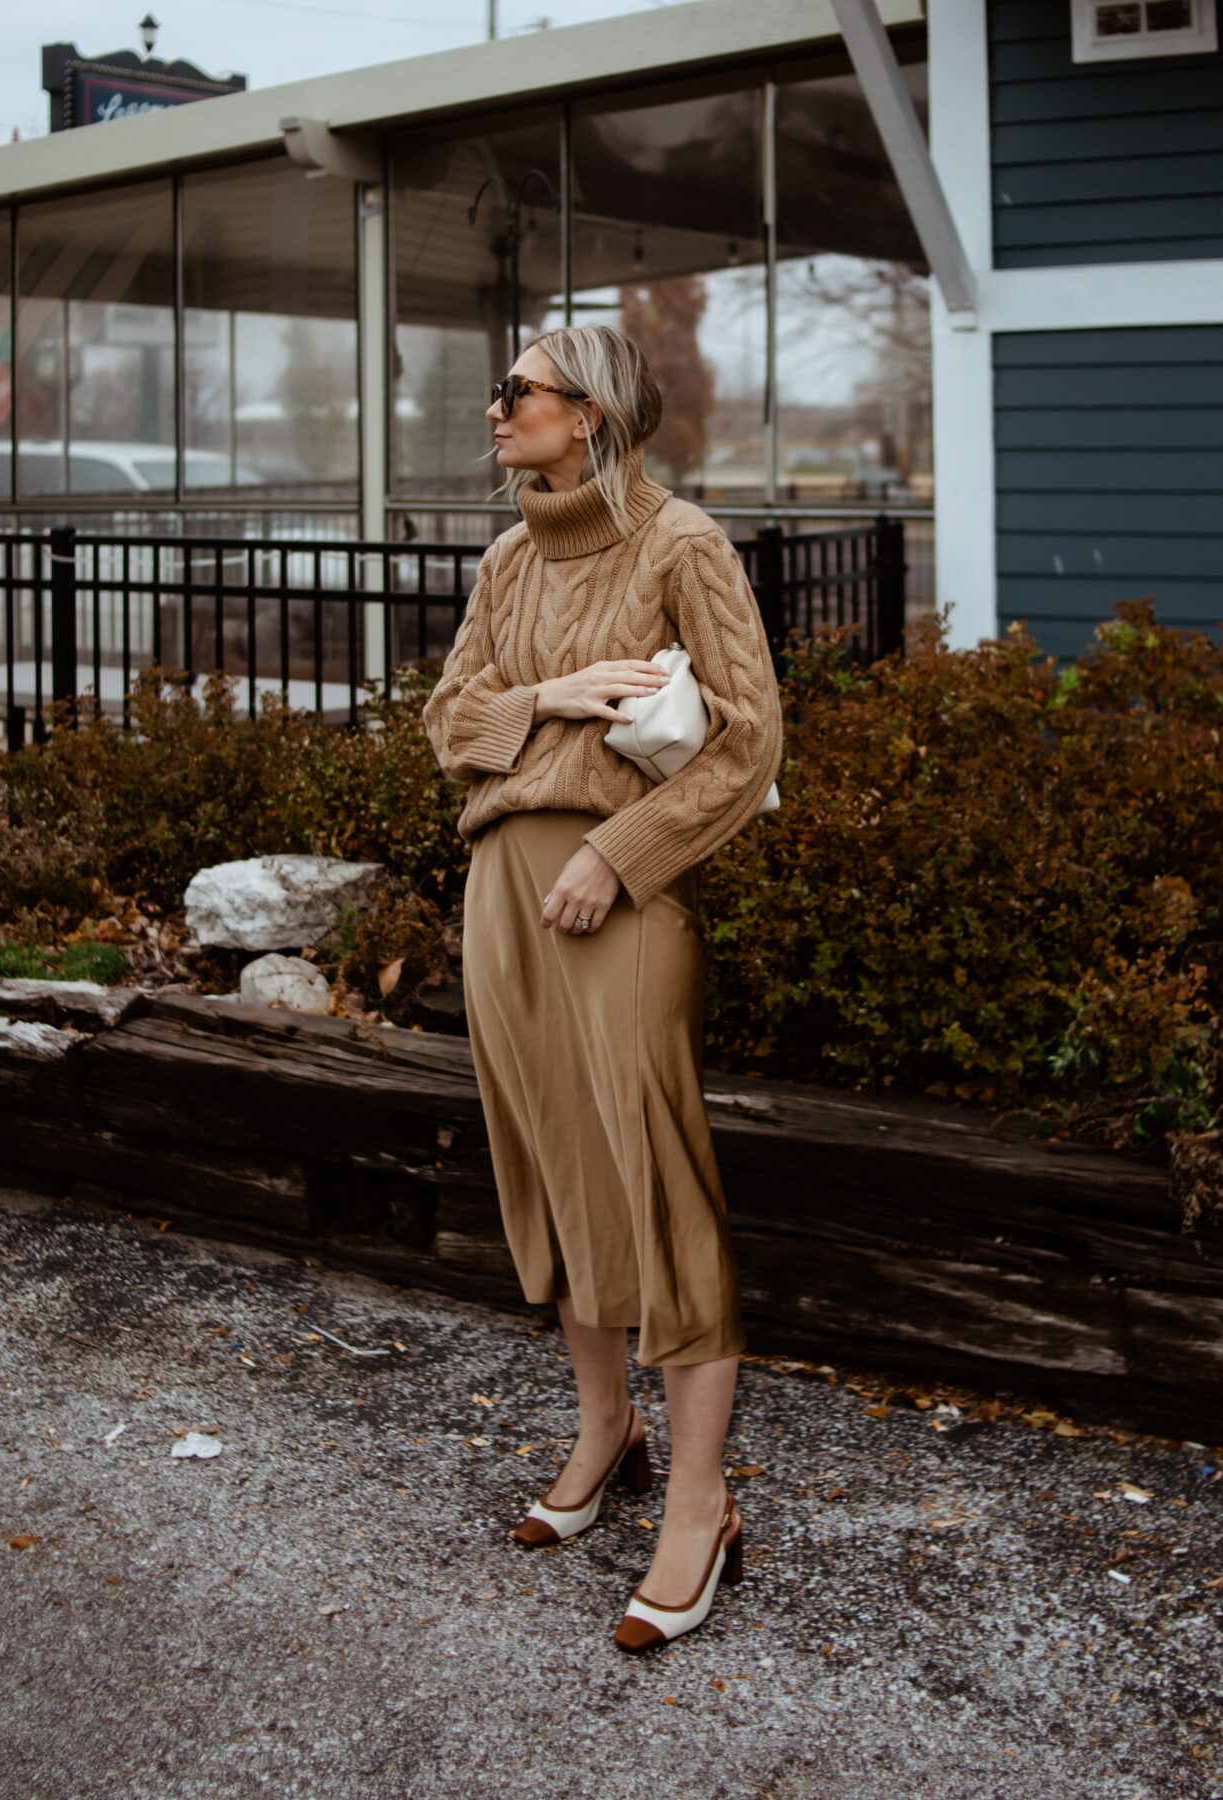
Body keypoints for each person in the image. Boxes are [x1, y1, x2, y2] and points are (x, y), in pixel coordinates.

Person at [422, 324, 782, 1651]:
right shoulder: (509, 556)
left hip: (616, 895)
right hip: (501, 894)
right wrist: (558, 691)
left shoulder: (680, 543)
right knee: (558, 1168)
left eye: (519, 389)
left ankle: (701, 1501)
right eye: (503, 389)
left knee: (649, 1169)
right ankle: (603, 1432)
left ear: (592, 417)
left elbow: (747, 743)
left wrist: (622, 859)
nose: (496, 406)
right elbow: (450, 720)